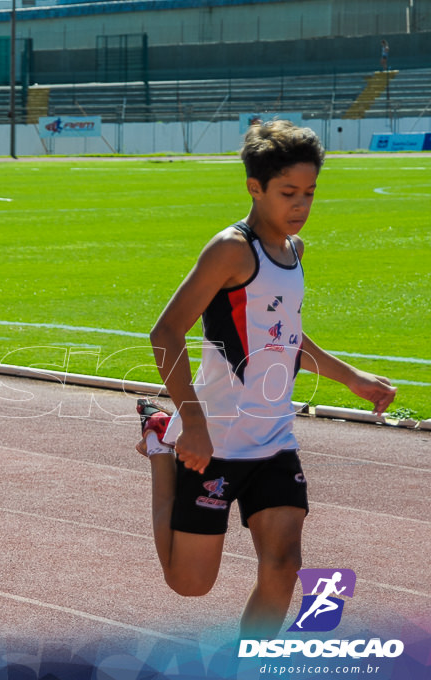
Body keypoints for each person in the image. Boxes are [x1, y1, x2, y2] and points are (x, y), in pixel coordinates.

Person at [137, 120, 396, 639]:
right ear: (255, 188)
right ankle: (161, 446)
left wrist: (352, 379)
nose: (301, 205)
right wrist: (192, 424)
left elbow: (285, 339)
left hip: (275, 440)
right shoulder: (233, 250)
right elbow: (165, 332)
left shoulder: (295, 252)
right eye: (288, 193)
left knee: (283, 568)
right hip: (214, 441)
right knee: (189, 584)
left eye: (310, 192)